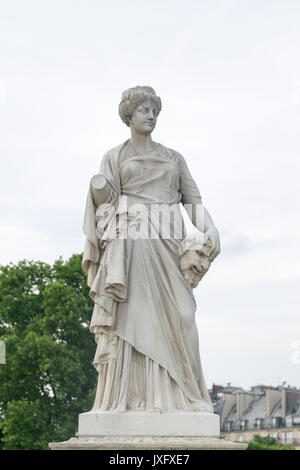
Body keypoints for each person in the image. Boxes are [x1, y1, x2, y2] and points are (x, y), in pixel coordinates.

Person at [82, 86, 220, 413]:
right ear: (129, 115)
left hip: (170, 240)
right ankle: (130, 399)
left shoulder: (174, 158)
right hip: (131, 242)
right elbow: (104, 204)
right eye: (144, 110)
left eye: (154, 111)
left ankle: (189, 395)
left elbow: (193, 202)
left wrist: (210, 227)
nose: (151, 116)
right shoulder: (114, 157)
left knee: (183, 315)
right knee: (131, 318)